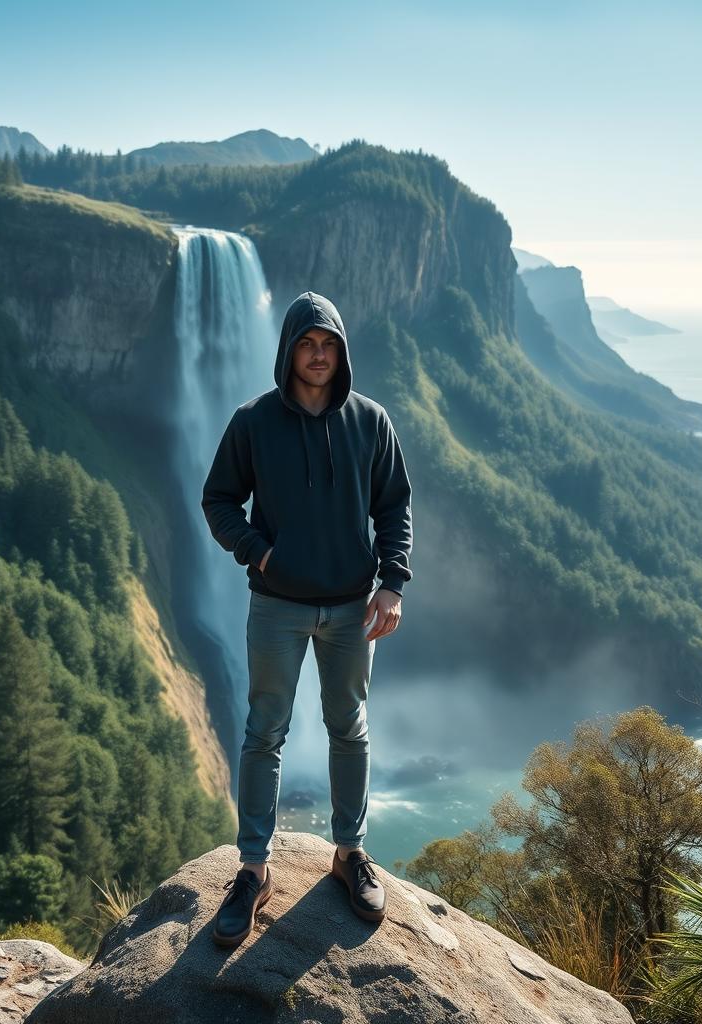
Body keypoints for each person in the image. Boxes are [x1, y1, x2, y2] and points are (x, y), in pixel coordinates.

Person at [201, 290, 413, 947]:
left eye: (329, 345)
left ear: (341, 352)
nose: (318, 355)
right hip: (277, 606)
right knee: (264, 731)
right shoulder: (253, 422)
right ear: (289, 350)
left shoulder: (372, 422)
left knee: (348, 726)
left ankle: (349, 854)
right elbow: (219, 500)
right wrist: (257, 553)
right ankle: (254, 870)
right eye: (307, 344)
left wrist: (393, 584)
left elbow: (395, 505)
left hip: (354, 606)